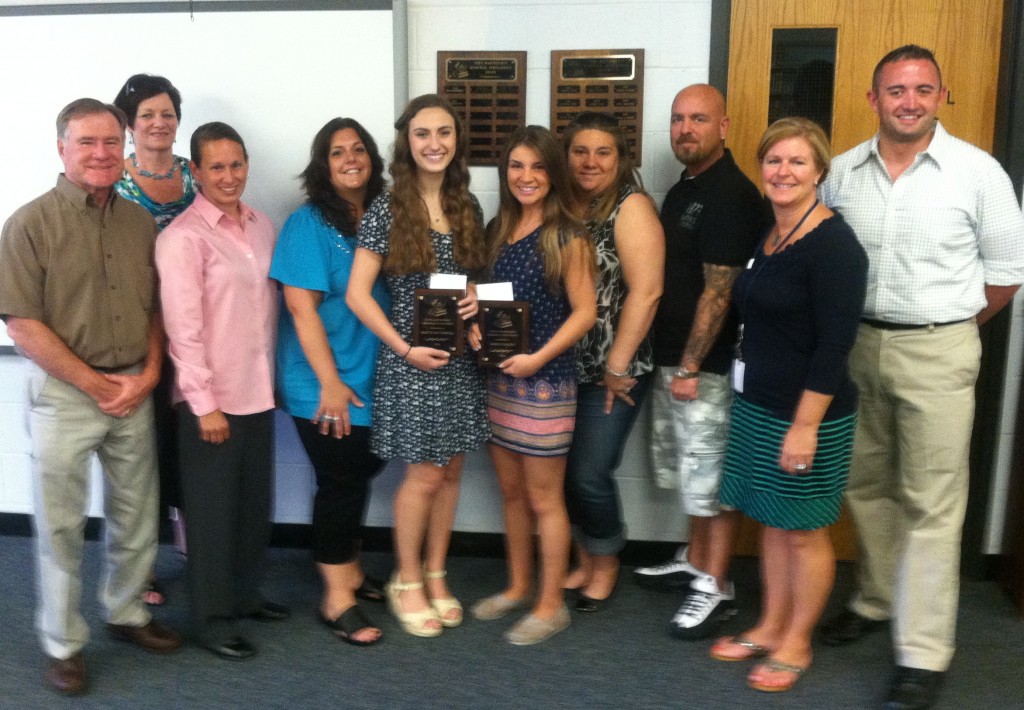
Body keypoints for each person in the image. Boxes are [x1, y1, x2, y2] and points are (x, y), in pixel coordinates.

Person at [817, 45, 1024, 710]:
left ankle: (924, 653)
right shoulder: (842, 173)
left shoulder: (977, 173)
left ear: (940, 97)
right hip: (857, 347)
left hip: (940, 349)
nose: (909, 102)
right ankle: (876, 601)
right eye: (896, 90)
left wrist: (950, 326)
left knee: (933, 505)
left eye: (922, 90)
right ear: (874, 98)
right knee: (868, 486)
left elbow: (1005, 274)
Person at [0, 98, 181, 696]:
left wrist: (150, 373)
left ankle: (127, 613)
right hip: (67, 396)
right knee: (60, 528)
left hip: (133, 387)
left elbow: (156, 309)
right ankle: (64, 644)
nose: (101, 153)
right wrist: (97, 385)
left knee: (136, 517)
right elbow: (23, 324)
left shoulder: (139, 223)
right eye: (87, 143)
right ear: (62, 148)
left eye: (110, 142)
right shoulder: (28, 224)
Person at [711, 117, 867, 693]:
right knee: (773, 523)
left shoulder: (834, 246)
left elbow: (834, 346)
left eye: (798, 162)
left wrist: (804, 428)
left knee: (803, 530)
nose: (783, 172)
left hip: (810, 415)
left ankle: (798, 640)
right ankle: (771, 624)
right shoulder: (773, 233)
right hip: (760, 404)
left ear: (820, 172)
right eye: (774, 160)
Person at [346, 94, 489, 637]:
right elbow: (359, 295)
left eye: (445, 133)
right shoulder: (389, 207)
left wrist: (475, 297)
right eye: (423, 133)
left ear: (457, 141)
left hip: (458, 360)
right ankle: (405, 580)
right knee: (423, 474)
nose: (435, 143)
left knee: (450, 470)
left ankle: (435, 573)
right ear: (407, 141)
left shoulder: (467, 205)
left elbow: (465, 278)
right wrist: (403, 349)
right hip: (413, 361)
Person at [634, 84, 771, 640]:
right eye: (677, 120)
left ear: (724, 127)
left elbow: (720, 291)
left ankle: (716, 586)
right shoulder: (685, 188)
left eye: (698, 119)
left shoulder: (731, 195)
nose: (685, 129)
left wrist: (690, 367)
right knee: (692, 474)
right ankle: (696, 558)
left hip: (707, 366)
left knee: (711, 480)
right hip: (675, 357)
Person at [156, 122, 288, 661]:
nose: (229, 176)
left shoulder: (263, 226)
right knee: (211, 516)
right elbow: (182, 331)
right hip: (211, 401)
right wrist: (203, 403)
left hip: (258, 393)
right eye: (216, 167)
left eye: (236, 164)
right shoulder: (182, 238)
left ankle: (245, 596)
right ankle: (212, 620)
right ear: (196, 171)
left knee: (254, 507)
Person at [470, 126, 597, 644]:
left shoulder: (568, 234)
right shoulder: (500, 228)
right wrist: (474, 321)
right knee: (511, 493)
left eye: (538, 167)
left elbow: (586, 313)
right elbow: (490, 295)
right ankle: (519, 587)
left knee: (546, 501)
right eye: (517, 166)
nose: (526, 177)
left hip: (545, 384)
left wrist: (538, 357)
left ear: (554, 174)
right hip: (500, 380)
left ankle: (551, 606)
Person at [271, 118, 390, 646]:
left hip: (375, 372)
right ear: (323, 164)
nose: (350, 158)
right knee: (341, 478)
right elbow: (300, 308)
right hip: (322, 380)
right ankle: (335, 597)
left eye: (358, 149)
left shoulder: (384, 216)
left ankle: (353, 571)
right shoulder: (306, 224)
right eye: (337, 151)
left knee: (363, 467)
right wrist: (330, 384)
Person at [561, 112, 665, 610]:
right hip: (563, 365)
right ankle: (584, 559)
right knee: (563, 471)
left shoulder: (631, 206)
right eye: (580, 151)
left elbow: (647, 292)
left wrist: (617, 364)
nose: (590, 161)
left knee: (589, 472)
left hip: (615, 370)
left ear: (621, 159)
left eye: (603, 152)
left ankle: (606, 561)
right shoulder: (564, 206)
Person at [112, 72, 198, 606]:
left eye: (167, 113)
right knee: (136, 456)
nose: (159, 123)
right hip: (135, 331)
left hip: (195, 333)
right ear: (129, 123)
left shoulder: (199, 175)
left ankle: (196, 548)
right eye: (147, 114)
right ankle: (138, 568)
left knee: (189, 445)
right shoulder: (111, 180)